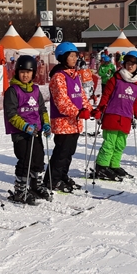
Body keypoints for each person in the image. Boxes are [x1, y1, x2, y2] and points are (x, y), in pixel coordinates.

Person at [44, 42, 93, 193]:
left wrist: (90, 110)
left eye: (75, 56)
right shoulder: (58, 77)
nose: (74, 59)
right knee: (61, 153)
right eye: (71, 56)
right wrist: (78, 112)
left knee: (69, 153)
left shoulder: (75, 75)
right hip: (63, 122)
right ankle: (52, 180)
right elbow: (62, 101)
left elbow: (81, 96)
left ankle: (62, 176)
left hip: (75, 123)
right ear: (62, 57)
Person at [4, 55, 52, 205]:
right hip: (21, 133)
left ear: (33, 73)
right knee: (25, 159)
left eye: (28, 72)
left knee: (38, 159)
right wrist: (25, 126)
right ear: (17, 72)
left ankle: (35, 185)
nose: (25, 75)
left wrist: (46, 124)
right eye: (22, 72)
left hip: (36, 132)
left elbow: (42, 110)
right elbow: (11, 114)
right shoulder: (13, 91)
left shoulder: (36, 90)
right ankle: (20, 190)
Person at [91, 51, 137, 180]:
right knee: (110, 142)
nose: (130, 66)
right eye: (128, 63)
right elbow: (106, 96)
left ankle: (114, 165)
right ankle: (102, 166)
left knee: (120, 143)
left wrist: (135, 114)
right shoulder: (116, 79)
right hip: (112, 114)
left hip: (126, 116)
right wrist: (100, 109)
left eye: (133, 64)